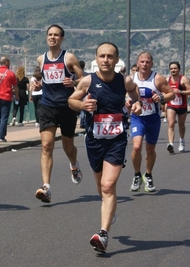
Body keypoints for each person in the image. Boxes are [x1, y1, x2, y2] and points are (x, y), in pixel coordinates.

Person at [68, 42, 142, 253]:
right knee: (101, 188)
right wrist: (82, 105)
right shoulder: (87, 81)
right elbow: (71, 100)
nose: (106, 60)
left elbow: (134, 93)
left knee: (109, 186)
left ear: (116, 60)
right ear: (96, 58)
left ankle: (103, 234)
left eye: (110, 56)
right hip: (94, 140)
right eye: (102, 56)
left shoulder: (124, 80)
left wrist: (135, 103)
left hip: (116, 139)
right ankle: (109, 210)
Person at [32, 24, 84, 204]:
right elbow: (44, 78)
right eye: (50, 34)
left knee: (68, 146)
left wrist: (74, 82)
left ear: (61, 38)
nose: (52, 37)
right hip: (47, 106)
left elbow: (83, 79)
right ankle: (46, 187)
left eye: (56, 35)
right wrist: (39, 85)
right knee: (46, 146)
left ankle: (74, 164)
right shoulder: (41, 59)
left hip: (67, 107)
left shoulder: (69, 58)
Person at [128, 52, 174, 193]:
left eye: (147, 62)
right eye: (142, 61)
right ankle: (137, 175)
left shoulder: (157, 78)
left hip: (153, 118)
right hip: (137, 118)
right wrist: (127, 101)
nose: (144, 64)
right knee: (136, 147)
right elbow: (124, 93)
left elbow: (171, 93)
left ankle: (148, 174)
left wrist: (160, 97)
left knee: (150, 149)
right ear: (137, 63)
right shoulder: (131, 79)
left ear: (152, 64)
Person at [166, 61, 190, 153]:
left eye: (175, 68)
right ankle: (171, 144)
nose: (173, 70)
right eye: (171, 68)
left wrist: (180, 92)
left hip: (182, 105)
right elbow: (163, 90)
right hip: (171, 105)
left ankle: (182, 141)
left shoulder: (183, 79)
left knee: (181, 125)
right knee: (171, 123)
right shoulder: (167, 79)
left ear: (179, 69)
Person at [75, 60, 89, 128]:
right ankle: (83, 122)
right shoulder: (86, 75)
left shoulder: (75, 75)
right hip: (84, 93)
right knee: (83, 108)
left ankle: (80, 122)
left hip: (76, 93)